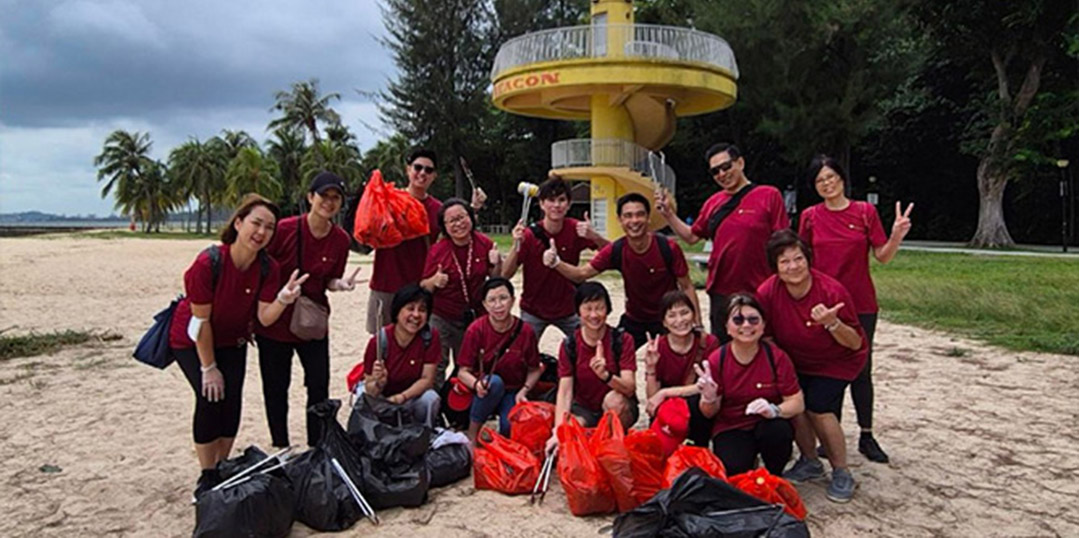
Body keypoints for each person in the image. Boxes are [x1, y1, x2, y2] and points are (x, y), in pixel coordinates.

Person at [168, 194, 307, 498]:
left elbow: (265, 318)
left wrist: (283, 299)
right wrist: (208, 368)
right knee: (210, 397)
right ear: (239, 222)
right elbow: (200, 324)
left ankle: (222, 465)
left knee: (232, 404)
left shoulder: (267, 267)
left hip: (234, 340)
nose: (261, 232)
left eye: (269, 227)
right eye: (256, 223)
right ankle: (206, 475)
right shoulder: (209, 262)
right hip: (191, 340)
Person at [798, 155, 913, 464]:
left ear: (842, 178)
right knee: (827, 367)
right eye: (820, 180)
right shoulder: (809, 216)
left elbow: (882, 256)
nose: (826, 184)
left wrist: (896, 235)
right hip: (822, 304)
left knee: (861, 368)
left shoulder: (864, 212)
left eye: (831, 177)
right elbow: (803, 261)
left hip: (860, 302)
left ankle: (866, 433)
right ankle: (829, 434)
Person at [756, 230, 867, 503]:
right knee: (794, 403)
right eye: (784, 262)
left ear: (808, 260)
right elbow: (765, 333)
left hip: (837, 360)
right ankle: (809, 460)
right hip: (795, 359)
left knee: (818, 406)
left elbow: (854, 342)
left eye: (798, 259)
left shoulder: (831, 290)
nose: (793, 266)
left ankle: (842, 471)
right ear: (775, 267)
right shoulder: (768, 291)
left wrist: (832, 323)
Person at [256, 171, 361, 450]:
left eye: (335, 197)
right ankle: (281, 446)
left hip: (311, 322)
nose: (329, 202)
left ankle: (317, 446)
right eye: (323, 196)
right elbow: (260, 267)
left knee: (318, 385)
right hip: (275, 321)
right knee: (276, 388)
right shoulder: (284, 230)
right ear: (310, 197)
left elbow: (328, 279)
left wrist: (340, 284)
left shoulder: (340, 239)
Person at [655, 143, 789, 340]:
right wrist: (669, 214)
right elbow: (692, 237)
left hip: (760, 288)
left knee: (764, 345)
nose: (722, 174)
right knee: (723, 349)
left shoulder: (769, 196)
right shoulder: (713, 203)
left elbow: (782, 243)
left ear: (740, 163)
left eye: (726, 166)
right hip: (721, 291)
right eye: (715, 171)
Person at [547, 192, 699, 349]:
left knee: (678, 361)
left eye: (640, 215)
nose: (634, 221)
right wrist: (556, 262)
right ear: (620, 220)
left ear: (648, 218)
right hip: (635, 318)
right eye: (628, 215)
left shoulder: (668, 248)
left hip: (668, 318)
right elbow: (581, 274)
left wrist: (698, 326)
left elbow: (687, 286)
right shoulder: (617, 249)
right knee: (613, 355)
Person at [365, 148, 487, 333]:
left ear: (434, 176)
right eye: (418, 167)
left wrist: (473, 209)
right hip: (385, 284)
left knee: (419, 348)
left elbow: (457, 233)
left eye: (428, 170)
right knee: (381, 346)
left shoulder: (438, 210)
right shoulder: (388, 200)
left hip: (419, 288)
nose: (422, 173)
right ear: (408, 170)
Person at [695, 293, 804, 476]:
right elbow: (709, 412)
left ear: (763, 326)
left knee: (778, 431)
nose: (746, 325)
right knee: (734, 469)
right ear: (727, 328)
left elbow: (797, 402)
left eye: (753, 320)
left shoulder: (776, 357)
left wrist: (774, 410)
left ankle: (775, 474)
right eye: (738, 320)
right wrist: (709, 397)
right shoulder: (717, 359)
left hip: (767, 424)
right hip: (732, 425)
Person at [501, 176, 607, 338]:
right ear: (542, 204)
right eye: (551, 200)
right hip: (533, 309)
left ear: (569, 204)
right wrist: (516, 245)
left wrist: (595, 237)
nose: (556, 205)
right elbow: (505, 274)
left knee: (587, 348)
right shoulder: (528, 235)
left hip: (569, 308)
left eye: (561, 200)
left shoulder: (576, 229)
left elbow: (613, 253)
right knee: (522, 355)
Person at [545, 282, 638, 454]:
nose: (594, 315)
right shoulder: (570, 344)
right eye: (588, 308)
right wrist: (558, 431)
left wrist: (606, 376)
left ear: (608, 310)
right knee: (571, 431)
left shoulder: (622, 340)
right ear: (578, 312)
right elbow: (565, 391)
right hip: (583, 407)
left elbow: (630, 388)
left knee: (614, 401)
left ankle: (612, 444)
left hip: (616, 407)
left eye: (599, 308)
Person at [420, 198, 502, 388]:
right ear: (444, 227)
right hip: (442, 315)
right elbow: (424, 286)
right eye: (452, 221)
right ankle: (436, 404)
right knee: (438, 363)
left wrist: (496, 263)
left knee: (470, 363)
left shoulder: (484, 243)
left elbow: (497, 280)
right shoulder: (437, 250)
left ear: (470, 217)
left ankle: (463, 406)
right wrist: (435, 281)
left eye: (462, 217)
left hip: (475, 316)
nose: (458, 224)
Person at [456, 278, 542, 440]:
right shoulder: (476, 330)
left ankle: (502, 446)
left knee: (509, 426)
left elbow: (535, 368)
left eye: (503, 298)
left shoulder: (526, 331)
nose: (498, 305)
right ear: (484, 304)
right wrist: (476, 384)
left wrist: (524, 390)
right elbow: (463, 371)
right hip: (485, 387)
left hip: (513, 390)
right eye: (492, 300)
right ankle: (472, 436)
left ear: (513, 300)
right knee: (494, 383)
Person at [357, 284, 442, 428]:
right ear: (397, 311)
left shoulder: (430, 337)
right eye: (410, 308)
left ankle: (425, 435)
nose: (416, 315)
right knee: (361, 397)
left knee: (431, 398)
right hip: (384, 398)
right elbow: (370, 389)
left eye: (422, 310)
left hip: (411, 395)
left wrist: (400, 398)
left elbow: (427, 380)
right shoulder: (379, 341)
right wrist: (379, 382)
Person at [642, 290, 720, 447]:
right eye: (672, 315)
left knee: (699, 404)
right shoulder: (659, 347)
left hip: (698, 407)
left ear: (693, 314)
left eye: (684, 313)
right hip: (669, 410)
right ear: (664, 322)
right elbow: (652, 398)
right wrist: (651, 368)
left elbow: (707, 385)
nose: (680, 320)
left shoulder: (708, 343)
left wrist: (665, 392)